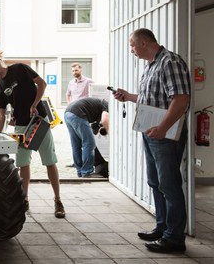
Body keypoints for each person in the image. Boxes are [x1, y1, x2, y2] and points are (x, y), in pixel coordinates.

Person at [112, 28, 190, 253]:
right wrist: (129, 96)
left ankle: (174, 239)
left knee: (170, 185)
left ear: (144, 43)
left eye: (132, 45)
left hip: (164, 134)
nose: (131, 50)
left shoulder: (170, 62)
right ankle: (162, 228)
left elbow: (181, 99)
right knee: (155, 183)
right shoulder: (152, 66)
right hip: (152, 133)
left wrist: (163, 127)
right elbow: (153, 98)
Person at [0, 50, 65, 218]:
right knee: (23, 164)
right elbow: (1, 114)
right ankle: (24, 199)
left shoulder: (20, 69)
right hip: (20, 127)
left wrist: (34, 104)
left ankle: (57, 200)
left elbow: (42, 84)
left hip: (39, 121)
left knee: (49, 161)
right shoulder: (0, 89)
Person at [64, 97, 109, 178]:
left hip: (68, 113)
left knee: (76, 145)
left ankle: (80, 171)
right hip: (78, 114)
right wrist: (107, 131)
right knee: (89, 144)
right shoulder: (107, 106)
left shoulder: (97, 107)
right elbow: (105, 120)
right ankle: (87, 172)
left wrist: (98, 129)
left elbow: (94, 127)